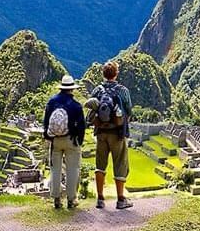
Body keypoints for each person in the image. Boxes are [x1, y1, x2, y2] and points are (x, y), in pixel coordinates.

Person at [86, 61, 133, 210]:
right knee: (120, 163)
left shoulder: (97, 90)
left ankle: (100, 198)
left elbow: (92, 109)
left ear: (103, 74)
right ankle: (120, 200)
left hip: (101, 134)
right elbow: (129, 110)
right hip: (117, 134)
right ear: (116, 74)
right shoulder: (122, 90)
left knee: (100, 165)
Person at [43, 74, 86, 209]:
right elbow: (81, 127)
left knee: (55, 169)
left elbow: (46, 122)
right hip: (71, 140)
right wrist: (79, 141)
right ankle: (71, 199)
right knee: (72, 169)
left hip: (55, 141)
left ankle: (56, 199)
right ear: (72, 89)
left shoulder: (51, 102)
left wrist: (49, 137)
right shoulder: (76, 106)